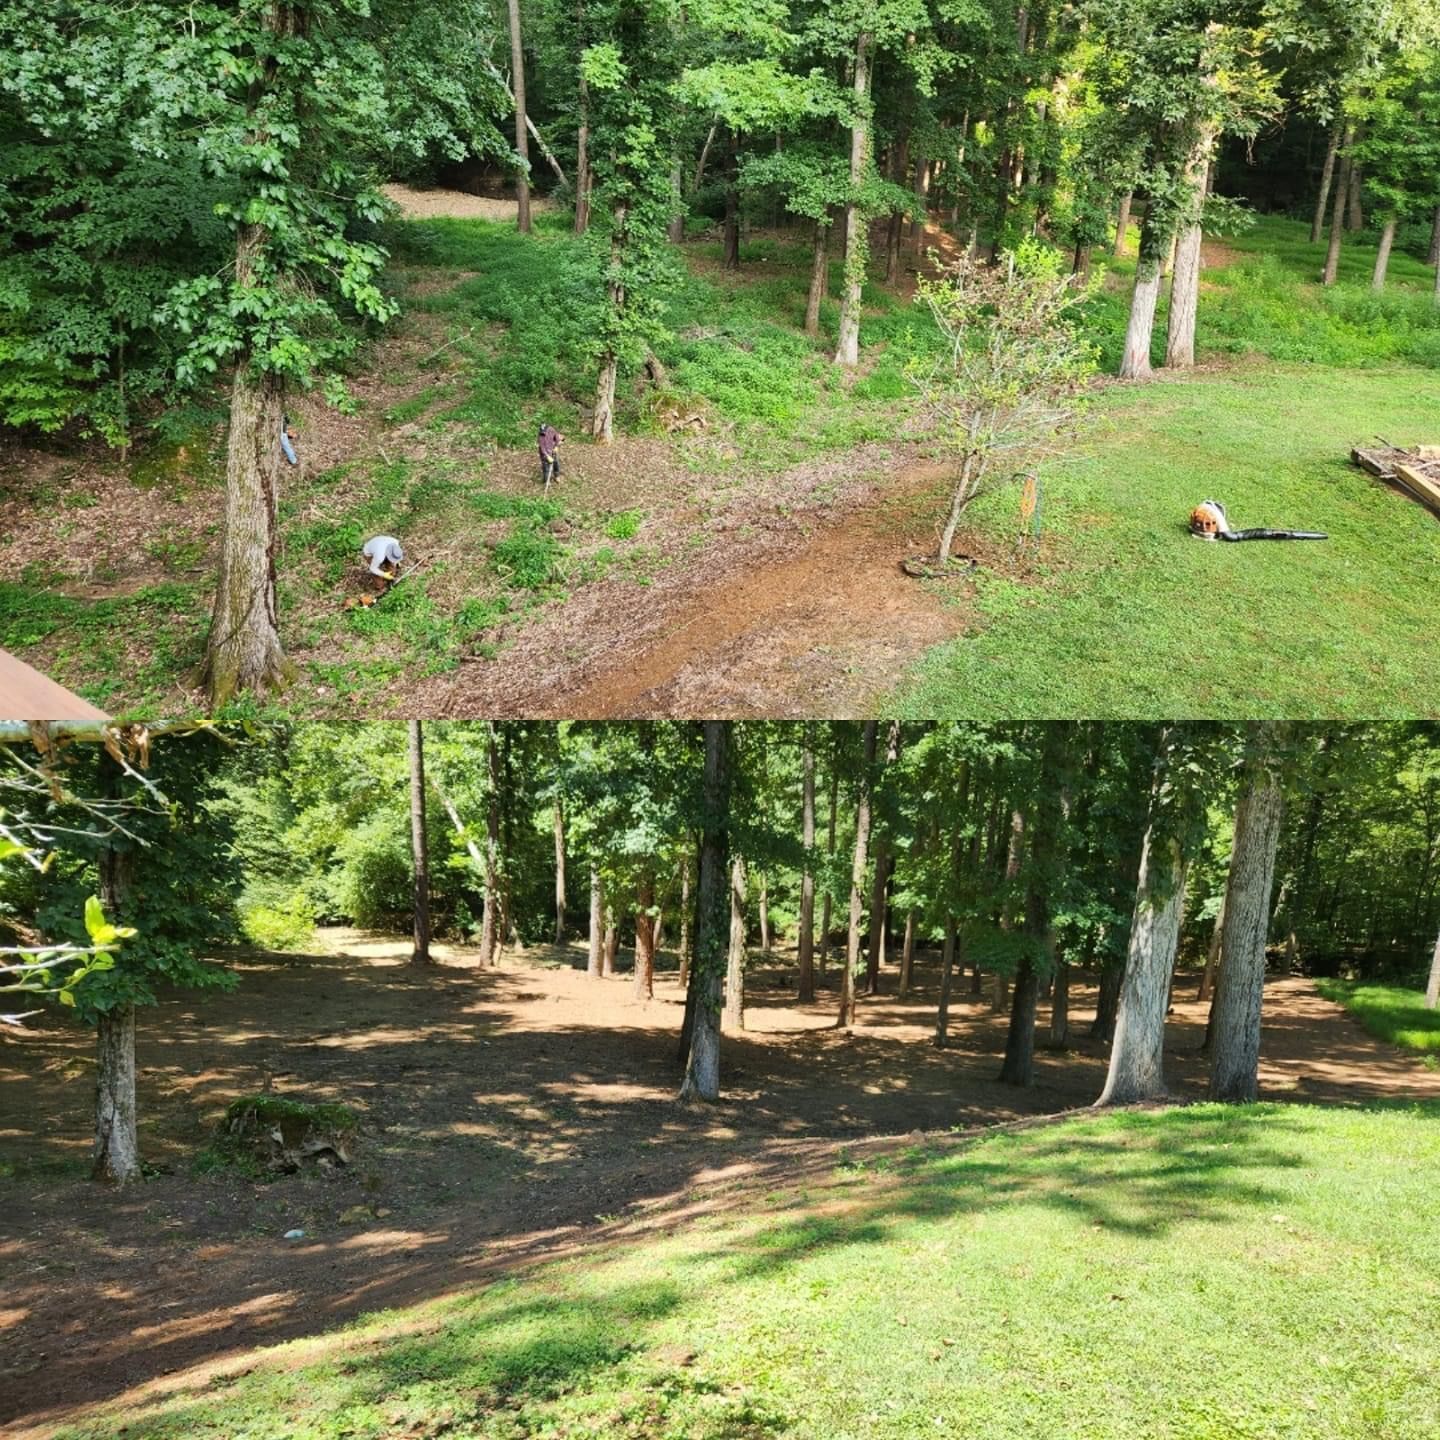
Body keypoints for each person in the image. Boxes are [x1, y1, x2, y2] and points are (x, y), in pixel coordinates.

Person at [538, 423, 562, 488]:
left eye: (544, 431)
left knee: (556, 463)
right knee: (546, 467)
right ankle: (547, 481)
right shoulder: (540, 436)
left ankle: (556, 476)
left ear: (548, 429)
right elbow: (542, 448)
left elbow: (557, 438)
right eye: (542, 432)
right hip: (545, 453)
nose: (543, 433)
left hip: (553, 450)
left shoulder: (551, 430)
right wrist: (547, 456)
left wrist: (556, 446)